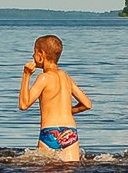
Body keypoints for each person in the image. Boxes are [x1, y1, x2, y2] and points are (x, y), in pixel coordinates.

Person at [19, 34, 92, 162]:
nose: (33, 56)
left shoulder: (44, 78)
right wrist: (68, 111)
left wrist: (26, 75)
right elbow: (87, 104)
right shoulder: (66, 77)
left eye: (34, 52)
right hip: (70, 132)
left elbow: (23, 104)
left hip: (50, 132)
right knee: (70, 169)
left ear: (41, 54)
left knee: (43, 171)